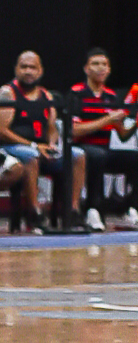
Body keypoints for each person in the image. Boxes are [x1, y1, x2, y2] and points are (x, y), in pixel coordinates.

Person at [70, 48, 138, 231]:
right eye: (95, 64)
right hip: (81, 151)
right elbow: (74, 131)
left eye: (104, 64)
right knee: (97, 156)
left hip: (105, 150)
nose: (100, 68)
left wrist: (136, 123)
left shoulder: (111, 96)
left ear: (109, 70)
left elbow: (123, 135)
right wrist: (107, 119)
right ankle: (92, 210)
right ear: (86, 69)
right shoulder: (76, 94)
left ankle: (128, 209)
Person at [0, 51, 86, 230]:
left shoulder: (47, 96)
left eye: (32, 67)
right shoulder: (8, 93)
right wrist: (34, 145)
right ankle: (35, 213)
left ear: (40, 71)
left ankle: (73, 211)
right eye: (24, 67)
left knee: (78, 155)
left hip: (42, 148)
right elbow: (2, 131)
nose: (28, 71)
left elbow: (52, 128)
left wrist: (52, 144)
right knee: (31, 155)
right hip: (14, 148)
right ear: (16, 69)